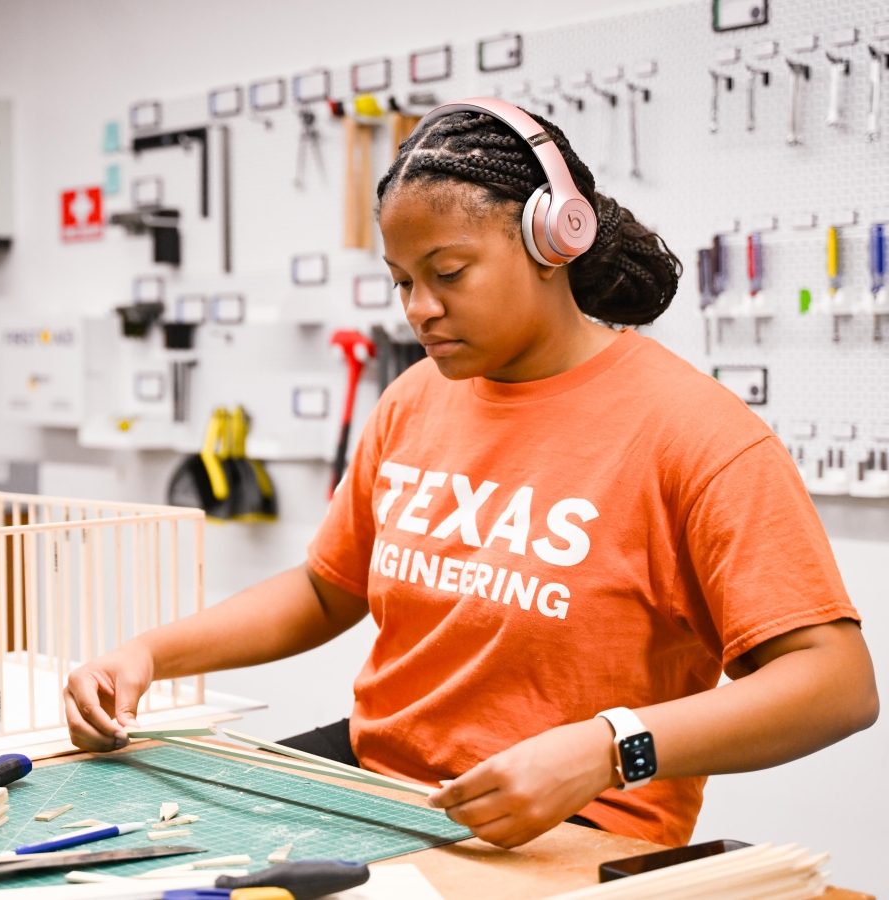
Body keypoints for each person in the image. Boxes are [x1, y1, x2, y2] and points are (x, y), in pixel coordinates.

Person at [64, 102, 878, 849]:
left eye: (447, 274)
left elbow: (835, 684)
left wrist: (608, 747)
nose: (418, 309)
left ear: (554, 240)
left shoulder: (695, 434)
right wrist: (146, 656)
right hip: (377, 782)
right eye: (403, 281)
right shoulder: (415, 399)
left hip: (573, 820)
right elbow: (325, 590)